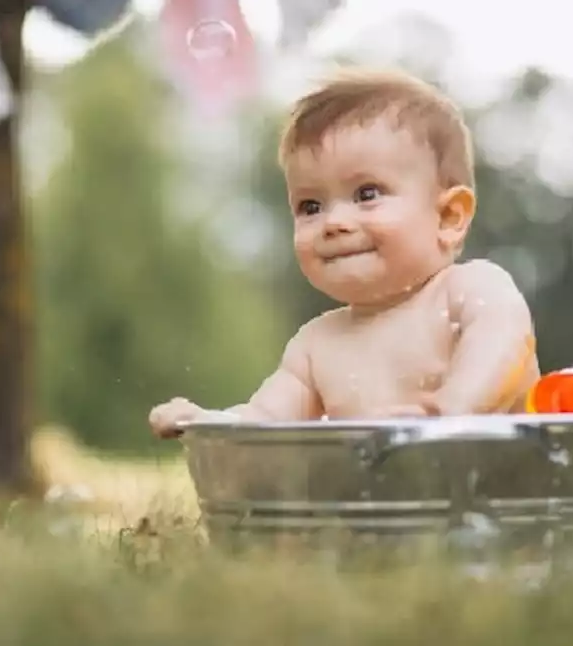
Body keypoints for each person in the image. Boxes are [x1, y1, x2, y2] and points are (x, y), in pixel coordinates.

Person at [149, 68, 539, 438]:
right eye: (310, 207)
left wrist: (450, 412)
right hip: (390, 505)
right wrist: (210, 424)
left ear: (448, 217)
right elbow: (263, 423)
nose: (333, 222)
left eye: (366, 194)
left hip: (501, 489)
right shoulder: (316, 345)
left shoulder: (469, 289)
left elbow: (504, 342)